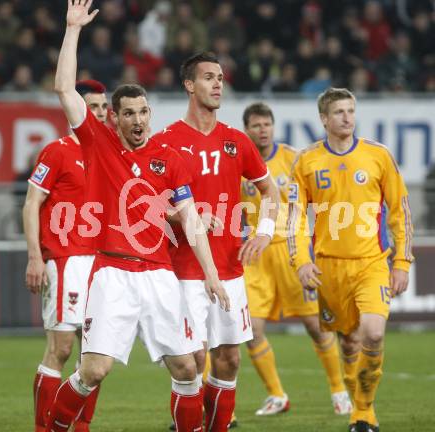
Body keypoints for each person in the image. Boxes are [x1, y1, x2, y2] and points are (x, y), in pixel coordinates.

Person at [45, 2, 229, 431]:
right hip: (112, 273)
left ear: (151, 114)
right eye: (128, 113)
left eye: (144, 112)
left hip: (160, 275)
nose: (138, 120)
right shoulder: (98, 144)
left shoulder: (170, 159)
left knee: (186, 368)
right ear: (114, 116)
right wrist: (72, 30)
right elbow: (63, 89)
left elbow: (191, 219)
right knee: (93, 372)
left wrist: (211, 274)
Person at [152, 52, 279, 431]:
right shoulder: (166, 141)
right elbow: (147, 206)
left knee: (230, 360)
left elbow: (270, 190)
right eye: (208, 77)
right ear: (189, 85)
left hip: (230, 269)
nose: (218, 83)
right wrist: (181, 215)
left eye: (220, 77)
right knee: (192, 360)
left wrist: (265, 232)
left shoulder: (236, 141)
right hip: (185, 271)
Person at [287, 87, 413, 432]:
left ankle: (364, 412)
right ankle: (354, 393)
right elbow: (295, 216)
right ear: (324, 119)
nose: (347, 118)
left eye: (351, 111)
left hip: (372, 264)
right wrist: (300, 260)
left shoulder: (378, 156)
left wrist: (401, 263)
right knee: (349, 340)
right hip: (328, 266)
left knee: (372, 334)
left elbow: (399, 212)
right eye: (339, 112)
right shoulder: (307, 161)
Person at [241, 102, 352, 416]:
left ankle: (338, 390)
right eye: (256, 126)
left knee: (316, 326)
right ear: (246, 129)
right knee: (251, 330)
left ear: (273, 127)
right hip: (255, 256)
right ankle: (277, 395)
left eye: (266, 125)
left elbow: (315, 200)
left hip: (290, 252)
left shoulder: (293, 158)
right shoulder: (239, 163)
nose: (262, 131)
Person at [23, 78, 108, 432]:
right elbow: (31, 203)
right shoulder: (57, 151)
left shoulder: (108, 153)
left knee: (96, 351)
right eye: (94, 106)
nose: (101, 113)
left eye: (105, 107)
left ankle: (81, 425)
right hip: (66, 259)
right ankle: (44, 428)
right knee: (60, 348)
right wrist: (34, 256)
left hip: (102, 262)